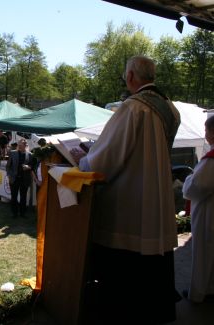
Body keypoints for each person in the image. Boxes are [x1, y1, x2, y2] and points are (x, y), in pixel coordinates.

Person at [79, 56, 181, 323]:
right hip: (156, 191)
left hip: (131, 197)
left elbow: (107, 158)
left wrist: (85, 160)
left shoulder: (133, 108)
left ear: (132, 76)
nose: (126, 79)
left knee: (125, 274)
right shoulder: (170, 108)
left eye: (125, 75)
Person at [182, 115, 214, 303]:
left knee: (204, 253)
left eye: (207, 130)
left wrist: (188, 180)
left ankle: (201, 292)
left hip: (209, 214)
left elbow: (197, 186)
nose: (205, 134)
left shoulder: (211, 160)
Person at [6, 139, 33, 218]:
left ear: (25, 146)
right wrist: (9, 176)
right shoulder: (13, 153)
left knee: (23, 197)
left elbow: (32, 166)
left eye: (21, 146)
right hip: (14, 179)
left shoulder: (30, 154)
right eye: (18, 145)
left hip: (24, 179)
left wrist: (28, 167)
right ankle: (14, 214)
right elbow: (8, 167)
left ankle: (22, 213)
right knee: (13, 197)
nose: (19, 147)